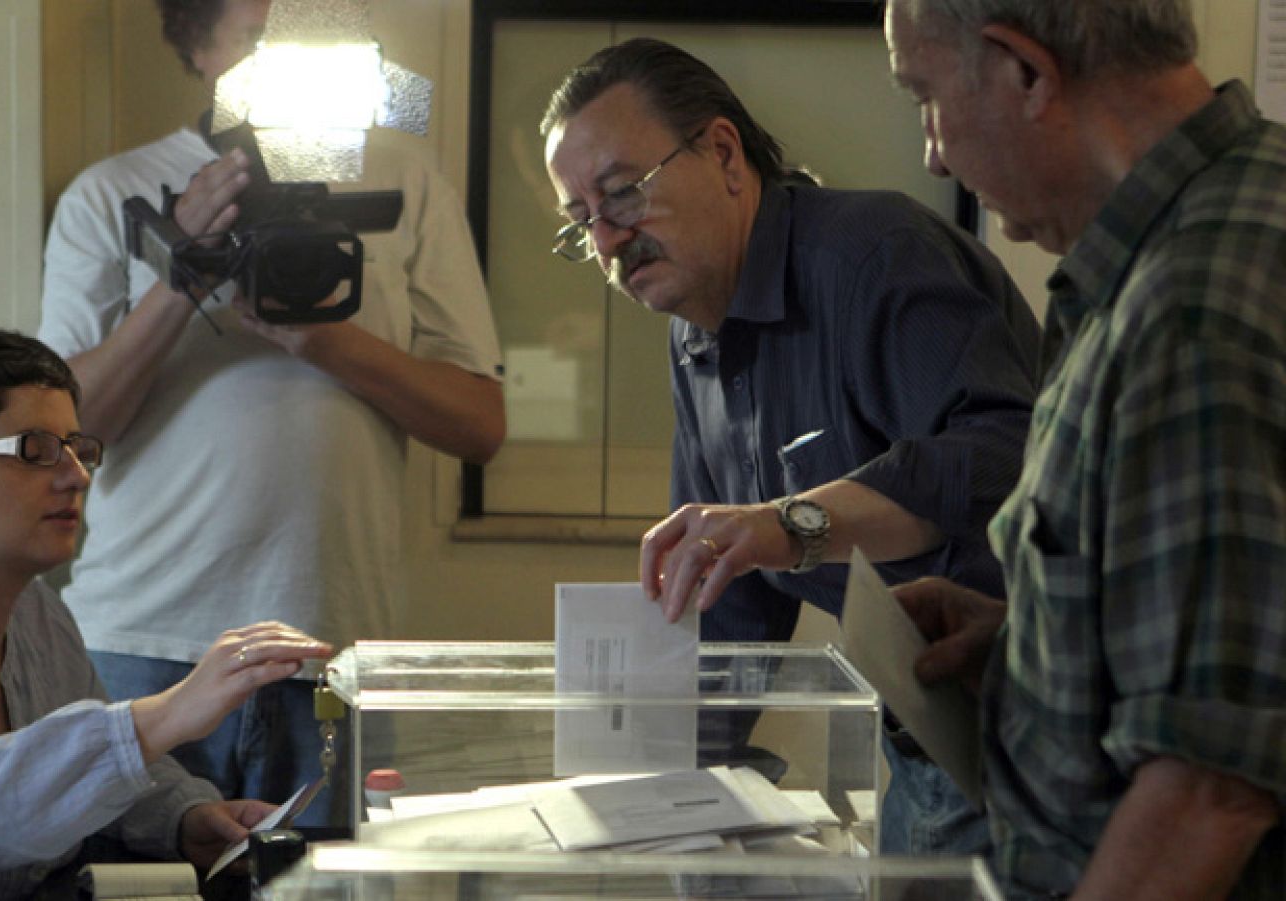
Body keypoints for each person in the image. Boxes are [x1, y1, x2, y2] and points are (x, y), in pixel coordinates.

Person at [540, 38, 1041, 855]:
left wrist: (795, 522)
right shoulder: (695, 333)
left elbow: (1001, 455)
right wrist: (647, 786)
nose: (606, 242)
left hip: (1042, 725)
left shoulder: (874, 257)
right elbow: (732, 598)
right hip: (923, 737)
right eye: (580, 222)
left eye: (623, 195)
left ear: (724, 153)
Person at [38, 0, 504, 828]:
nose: (286, 55)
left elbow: (479, 422)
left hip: (330, 640)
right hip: (145, 639)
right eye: (259, 37)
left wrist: (325, 340)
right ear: (197, 43)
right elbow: (67, 433)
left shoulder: (406, 181)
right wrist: (181, 274)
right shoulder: (113, 193)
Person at [884, 0, 1286, 895]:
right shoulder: (1209, 229)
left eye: (925, 97)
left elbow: (1209, 789)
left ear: (1025, 72)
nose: (934, 153)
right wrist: (1041, 646)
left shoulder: (1186, 316)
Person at [0, 327, 333, 900]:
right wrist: (166, 714)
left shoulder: (40, 613)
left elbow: (94, 784)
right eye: (36, 451)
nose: (77, 475)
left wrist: (187, 817)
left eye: (77, 448)